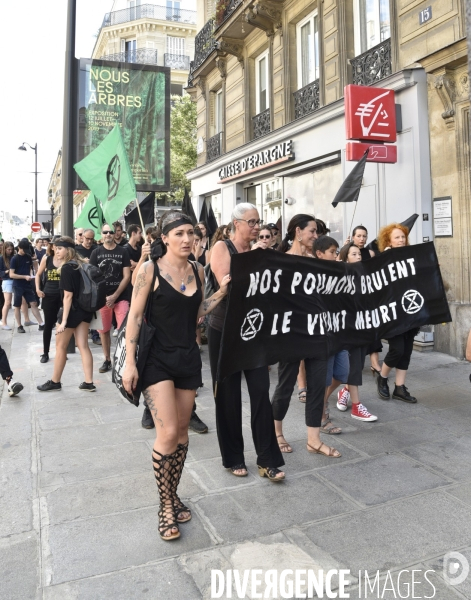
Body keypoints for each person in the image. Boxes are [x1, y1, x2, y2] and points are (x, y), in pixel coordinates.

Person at [122, 211, 231, 541]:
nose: (187, 239)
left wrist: (222, 292)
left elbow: (197, 313)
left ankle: (173, 494)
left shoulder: (198, 269)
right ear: (164, 238)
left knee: (182, 432)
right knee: (168, 432)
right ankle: (164, 505)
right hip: (155, 358)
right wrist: (130, 362)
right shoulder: (149, 270)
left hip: (187, 357)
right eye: (179, 234)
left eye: (191, 234)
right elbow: (135, 318)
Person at [209, 203, 285, 480]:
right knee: (227, 396)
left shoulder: (260, 252)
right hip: (226, 329)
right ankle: (233, 457)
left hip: (255, 330)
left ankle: (267, 459)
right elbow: (229, 287)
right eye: (251, 222)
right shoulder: (221, 248)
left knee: (260, 392)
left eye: (258, 221)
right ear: (236, 223)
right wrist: (255, 260)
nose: (256, 226)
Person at [271, 219, 340, 457]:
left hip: (318, 333)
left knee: (317, 387)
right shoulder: (280, 261)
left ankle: (313, 439)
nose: (315, 235)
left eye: (317, 232)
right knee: (285, 385)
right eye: (312, 231)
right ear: (298, 232)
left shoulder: (318, 262)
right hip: (290, 334)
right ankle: (277, 433)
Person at [37, 237, 95, 392]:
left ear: (68, 250)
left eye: (60, 248)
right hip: (86, 310)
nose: (56, 251)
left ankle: (55, 381)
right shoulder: (81, 264)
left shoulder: (67, 268)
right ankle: (89, 382)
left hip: (72, 311)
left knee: (60, 346)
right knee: (83, 345)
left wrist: (63, 321)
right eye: (56, 249)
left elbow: (68, 296)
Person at [332, 242, 377, 422]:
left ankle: (345, 395)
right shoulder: (339, 278)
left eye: (359, 254)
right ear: (345, 258)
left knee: (356, 365)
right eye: (354, 254)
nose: (358, 257)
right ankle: (354, 405)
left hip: (361, 328)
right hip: (346, 330)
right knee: (349, 368)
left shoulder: (365, 276)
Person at [376, 223, 418, 403]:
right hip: (393, 314)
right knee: (397, 349)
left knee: (406, 351)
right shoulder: (383, 259)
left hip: (410, 311)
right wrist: (386, 258)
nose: (401, 240)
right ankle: (382, 378)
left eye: (403, 237)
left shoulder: (413, 256)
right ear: (389, 241)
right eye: (397, 237)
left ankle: (400, 388)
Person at [90, 225, 131, 373]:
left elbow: (127, 276)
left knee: (124, 330)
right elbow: (92, 277)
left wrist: (115, 296)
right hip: (102, 298)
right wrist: (105, 296)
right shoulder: (96, 253)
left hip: (121, 296)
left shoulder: (123, 251)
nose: (108, 234)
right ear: (101, 235)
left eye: (111, 232)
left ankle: (124, 359)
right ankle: (107, 359)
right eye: (105, 232)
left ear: (115, 234)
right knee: (103, 330)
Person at [35, 239, 63, 363]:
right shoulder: (47, 259)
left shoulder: (66, 260)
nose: (57, 248)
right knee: (48, 325)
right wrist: (37, 289)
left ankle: (61, 351)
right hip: (49, 295)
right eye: (55, 246)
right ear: (51, 247)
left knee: (63, 325)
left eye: (59, 246)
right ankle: (45, 353)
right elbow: (38, 274)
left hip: (63, 296)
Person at [9, 240, 44, 333]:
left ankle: (41, 323)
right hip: (18, 285)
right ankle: (19, 326)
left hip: (27, 284)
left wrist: (31, 276)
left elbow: (29, 269)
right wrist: (24, 276)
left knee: (33, 303)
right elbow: (11, 274)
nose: (25, 252)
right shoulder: (14, 259)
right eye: (23, 250)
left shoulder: (28, 257)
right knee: (17, 306)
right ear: (19, 248)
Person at [0, 242, 15, 330]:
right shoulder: (2, 258)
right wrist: (6, 271)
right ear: (4, 249)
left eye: (11, 249)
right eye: (8, 249)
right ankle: (4, 322)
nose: (10, 251)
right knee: (7, 302)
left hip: (15, 280)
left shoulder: (13, 257)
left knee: (21, 301)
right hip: (7, 280)